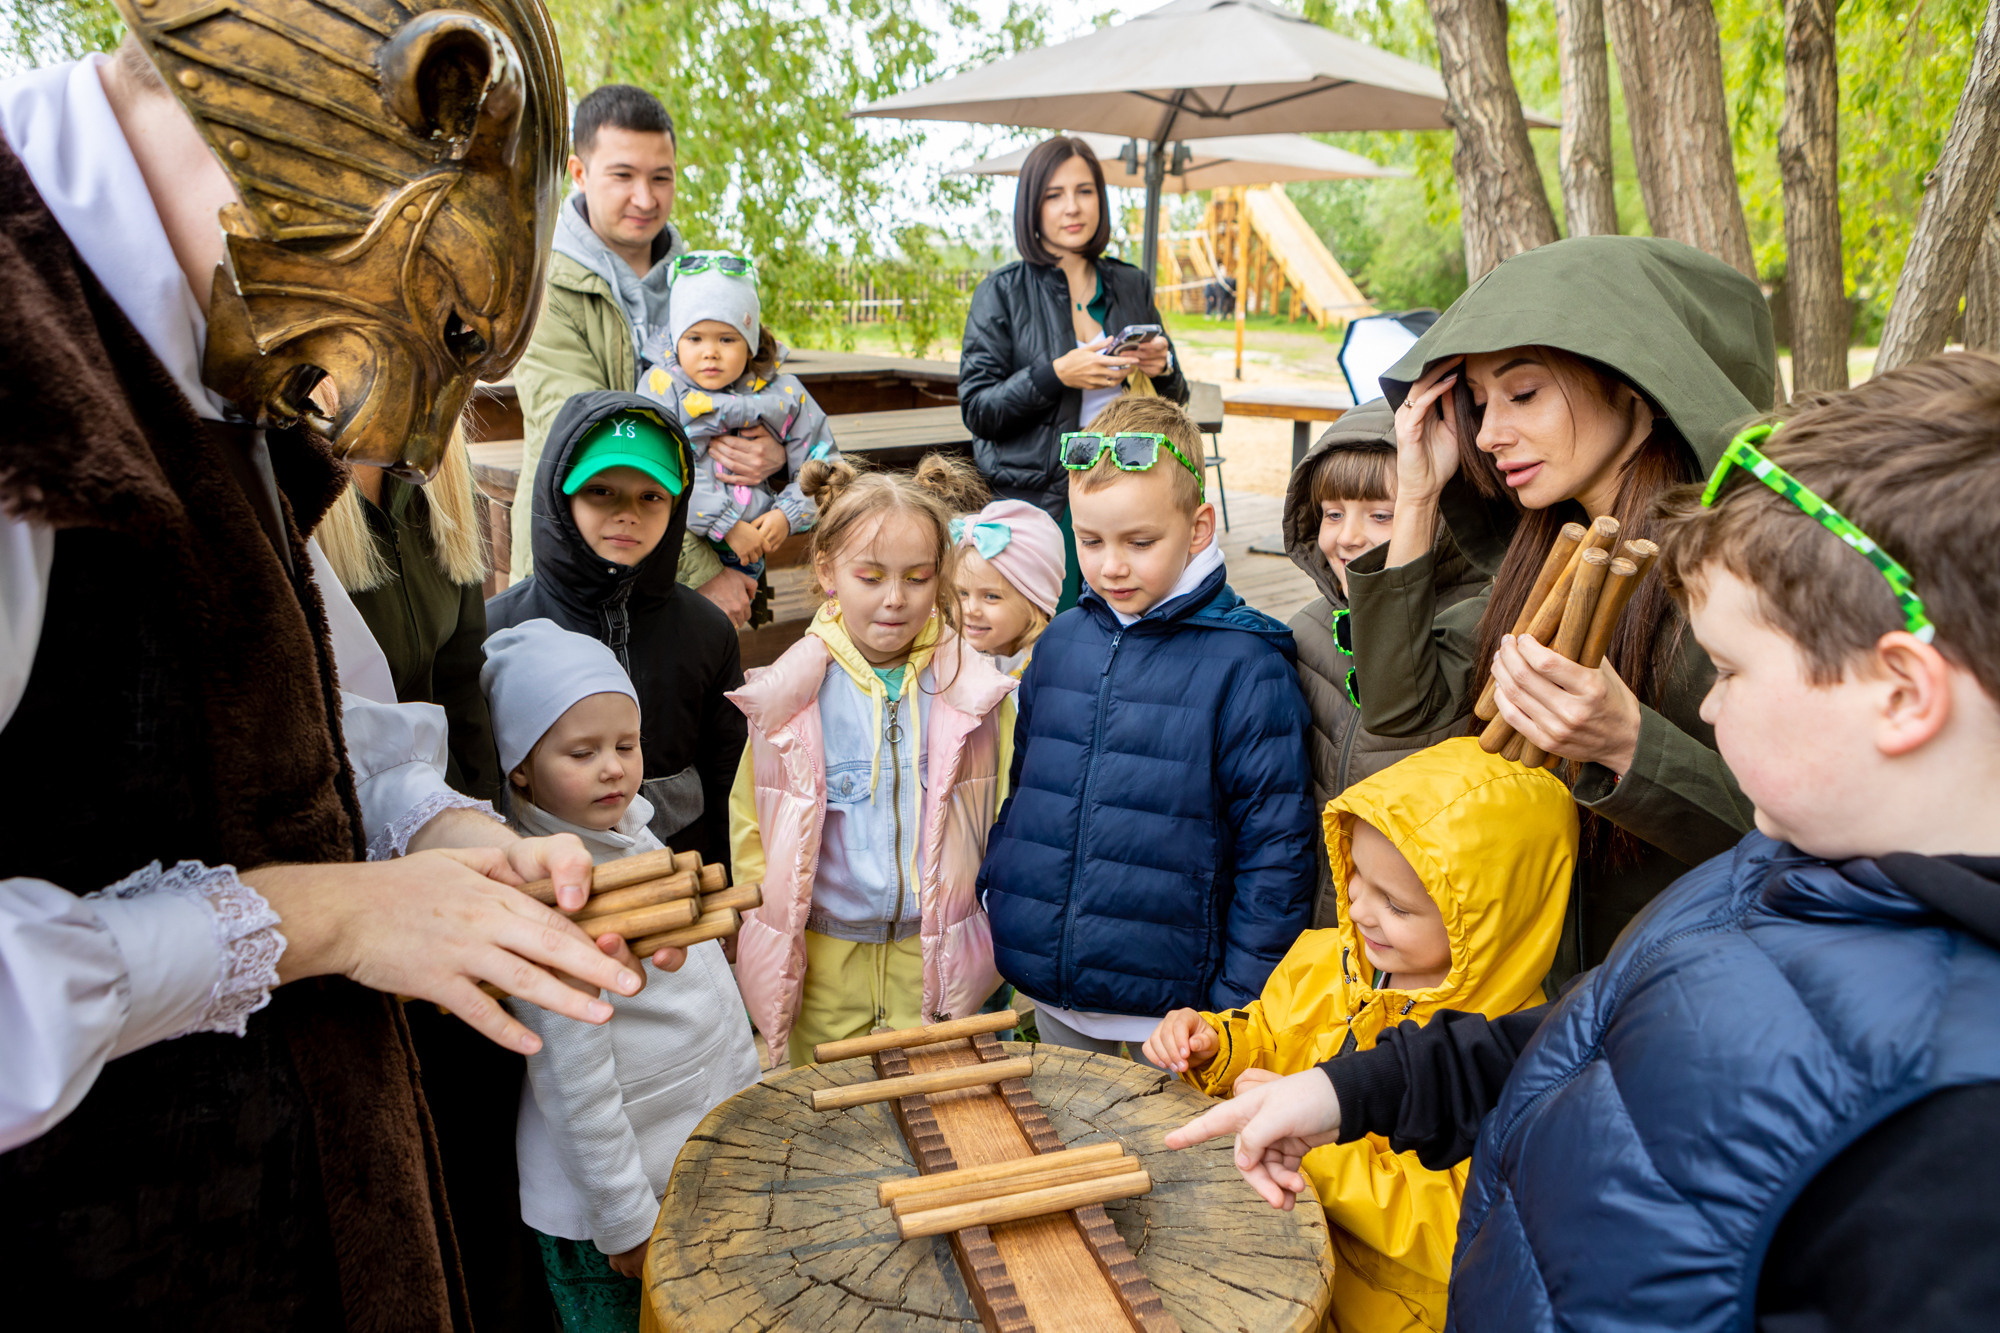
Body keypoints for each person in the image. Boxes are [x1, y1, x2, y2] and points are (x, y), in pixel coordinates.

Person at [0, 22, 663, 1324]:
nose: (421, 435)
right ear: (405, 105)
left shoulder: (195, 317)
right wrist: (337, 918)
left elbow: (317, 722)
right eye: (455, 326)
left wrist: (455, 836)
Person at [1167, 355, 2000, 1333]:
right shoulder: (1768, 876)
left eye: (1728, 670)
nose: (1712, 703)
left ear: (1899, 692)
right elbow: (1589, 1041)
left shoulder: (1956, 1131)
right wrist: (1343, 1091)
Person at [1345, 235, 1772, 974]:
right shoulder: (1538, 554)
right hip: (1535, 990)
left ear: (1636, 386)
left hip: (1683, 987)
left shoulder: (1741, 580)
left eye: (1524, 393)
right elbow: (1402, 713)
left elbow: (1793, 846)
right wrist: (1414, 495)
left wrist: (1626, 743)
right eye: (1476, 403)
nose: (1489, 433)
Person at [1145, 738, 1573, 1333]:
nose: (1362, 911)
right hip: (1267, 1257)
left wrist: (1313, 1149)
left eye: (1396, 904)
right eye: (1356, 877)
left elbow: (1454, 1223)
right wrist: (1218, 1046)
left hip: (1383, 1311)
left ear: (1491, 923)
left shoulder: (1507, 1058)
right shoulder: (1325, 960)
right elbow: (1270, 1032)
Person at [980, 396, 1315, 1065]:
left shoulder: (1246, 665)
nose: (1110, 567)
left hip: (1172, 1022)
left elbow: (1276, 854)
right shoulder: (1063, 641)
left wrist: (1234, 1008)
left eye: (1140, 542)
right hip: (1052, 996)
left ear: (1197, 529)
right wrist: (1001, 885)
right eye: (1091, 540)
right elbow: (1028, 788)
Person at [320, 433, 565, 1329]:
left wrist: (489, 861)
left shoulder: (438, 498)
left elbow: (460, 724)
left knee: (482, 1158)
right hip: (345, 917)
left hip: (447, 863)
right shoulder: (297, 501)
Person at [482, 619, 759, 1332]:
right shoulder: (553, 898)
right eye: (583, 751)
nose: (613, 766)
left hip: (685, 1171)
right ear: (520, 765)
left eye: (625, 745)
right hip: (610, 1220)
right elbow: (573, 1086)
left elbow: (707, 998)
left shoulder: (632, 837)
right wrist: (625, 1220)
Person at [728, 455, 1015, 1067]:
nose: (895, 600)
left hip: (941, 968)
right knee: (829, 1130)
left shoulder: (977, 694)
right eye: (871, 576)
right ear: (828, 571)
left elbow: (1010, 814)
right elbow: (753, 827)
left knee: (947, 1124)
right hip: (826, 969)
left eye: (917, 578)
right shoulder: (788, 700)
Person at [512, 84, 785, 627]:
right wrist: (700, 570)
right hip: (583, 571)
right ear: (579, 171)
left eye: (661, 177)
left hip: (695, 561)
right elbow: (587, 443)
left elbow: (763, 388)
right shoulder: (540, 287)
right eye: (623, 175)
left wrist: (774, 450)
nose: (645, 197)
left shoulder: (705, 282)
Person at [488, 395, 747, 868]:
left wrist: (732, 888)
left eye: (651, 496)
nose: (628, 513)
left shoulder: (707, 630)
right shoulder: (499, 630)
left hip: (686, 880)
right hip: (549, 886)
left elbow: (730, 774)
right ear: (559, 496)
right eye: (601, 491)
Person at [959, 135, 1187, 610]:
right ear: (1032, 207)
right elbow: (979, 410)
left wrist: (1162, 368)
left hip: (1131, 488)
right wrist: (1056, 375)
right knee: (1054, 634)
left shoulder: (1129, 283)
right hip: (1043, 501)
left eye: (1085, 191)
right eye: (1054, 195)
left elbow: (1174, 401)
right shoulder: (1001, 292)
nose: (1072, 207)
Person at [1282, 401, 1485, 926]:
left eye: (1381, 515)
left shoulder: (1475, 627)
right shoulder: (1304, 632)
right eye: (1332, 513)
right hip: (1317, 926)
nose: (1347, 537)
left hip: (1425, 933)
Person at [636, 250, 838, 591]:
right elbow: (656, 461)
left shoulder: (785, 393)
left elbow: (825, 464)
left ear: (750, 343)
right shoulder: (661, 386)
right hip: (677, 548)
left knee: (725, 633)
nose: (710, 351)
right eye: (695, 338)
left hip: (752, 550)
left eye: (727, 339)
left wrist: (787, 514)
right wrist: (726, 524)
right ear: (675, 340)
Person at [952, 497, 1065, 677]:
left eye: (991, 596)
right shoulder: (943, 664)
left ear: (1034, 603)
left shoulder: (1054, 673)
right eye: (962, 593)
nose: (970, 609)